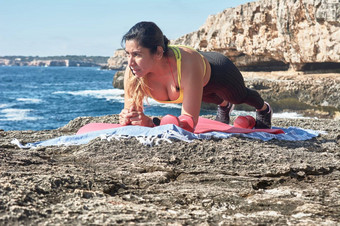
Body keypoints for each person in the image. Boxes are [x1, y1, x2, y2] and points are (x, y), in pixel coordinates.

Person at [119, 21, 272, 132]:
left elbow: (189, 123)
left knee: (238, 97)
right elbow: (133, 116)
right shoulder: (133, 71)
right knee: (208, 97)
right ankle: (224, 106)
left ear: (158, 52)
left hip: (218, 70)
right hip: (197, 84)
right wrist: (128, 117)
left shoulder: (187, 65)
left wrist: (152, 122)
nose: (130, 62)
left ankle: (264, 109)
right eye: (128, 54)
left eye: (137, 55)